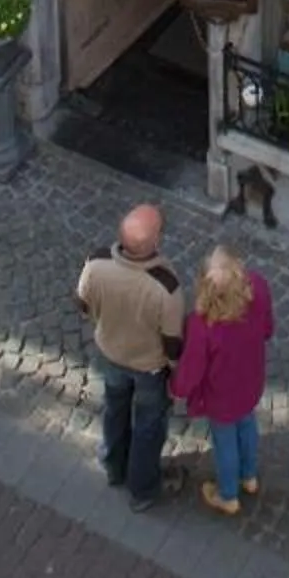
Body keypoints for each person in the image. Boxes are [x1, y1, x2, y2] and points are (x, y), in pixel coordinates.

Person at [75, 201, 184, 511]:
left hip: (111, 354)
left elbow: (82, 304)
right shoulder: (166, 287)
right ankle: (142, 488)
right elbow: (172, 341)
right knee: (149, 424)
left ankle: (113, 465)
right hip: (149, 367)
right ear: (155, 242)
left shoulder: (96, 263)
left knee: (114, 407)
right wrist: (174, 371)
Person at [171, 242, 275, 516]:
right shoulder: (259, 288)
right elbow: (267, 328)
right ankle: (249, 477)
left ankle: (228, 495)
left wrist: (176, 389)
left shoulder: (202, 325)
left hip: (221, 395)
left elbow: (191, 370)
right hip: (250, 381)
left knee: (225, 442)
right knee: (248, 425)